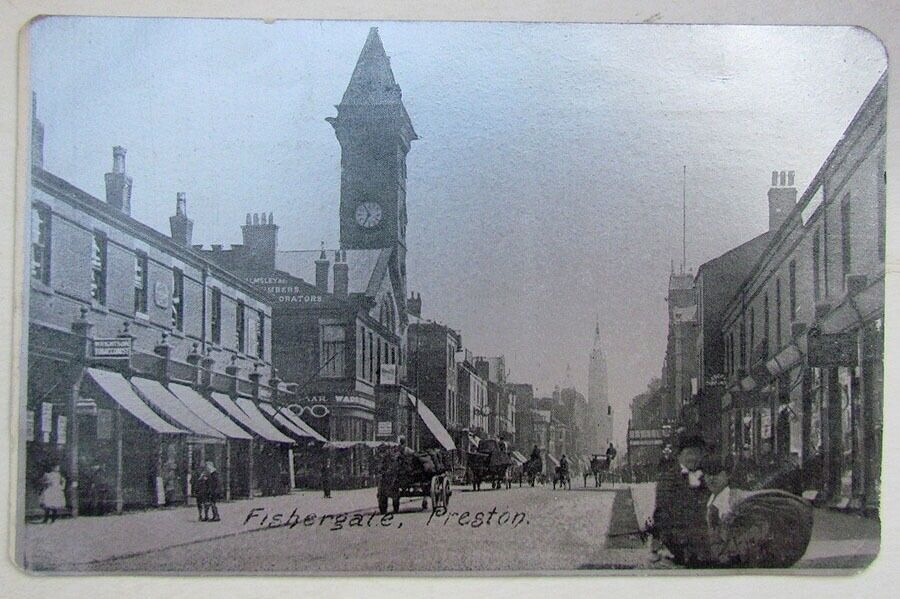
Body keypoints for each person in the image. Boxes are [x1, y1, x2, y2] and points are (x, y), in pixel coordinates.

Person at [651, 434, 714, 567]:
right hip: (678, 545)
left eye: (698, 453)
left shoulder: (708, 477)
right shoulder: (669, 477)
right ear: (679, 455)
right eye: (689, 453)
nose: (694, 457)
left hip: (705, 544)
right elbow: (662, 511)